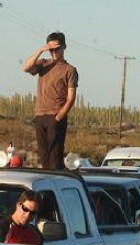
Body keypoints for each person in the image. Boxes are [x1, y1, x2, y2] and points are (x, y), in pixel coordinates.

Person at [22, 31, 79, 169]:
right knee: (44, 153)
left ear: (64, 47)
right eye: (51, 49)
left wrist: (59, 116)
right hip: (40, 115)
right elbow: (26, 68)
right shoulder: (43, 64)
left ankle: (55, 181)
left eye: (56, 48)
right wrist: (41, 50)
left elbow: (71, 98)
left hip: (55, 116)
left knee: (55, 154)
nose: (53, 52)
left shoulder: (69, 70)